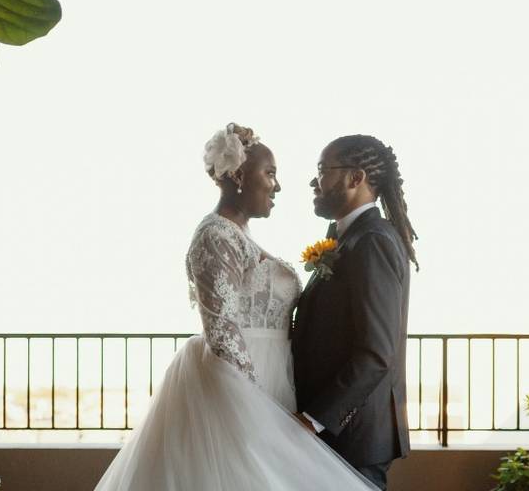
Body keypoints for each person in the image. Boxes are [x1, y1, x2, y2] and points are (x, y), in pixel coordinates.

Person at [94, 123, 378, 491]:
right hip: (240, 390)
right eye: (270, 173)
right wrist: (257, 414)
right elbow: (224, 334)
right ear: (239, 175)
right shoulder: (215, 235)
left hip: (274, 383)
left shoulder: (241, 235)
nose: (277, 186)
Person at [291, 135, 418, 491]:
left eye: (321, 171)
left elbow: (376, 353)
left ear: (355, 178)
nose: (314, 182)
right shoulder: (348, 238)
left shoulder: (372, 240)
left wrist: (315, 419)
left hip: (352, 436)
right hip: (339, 436)